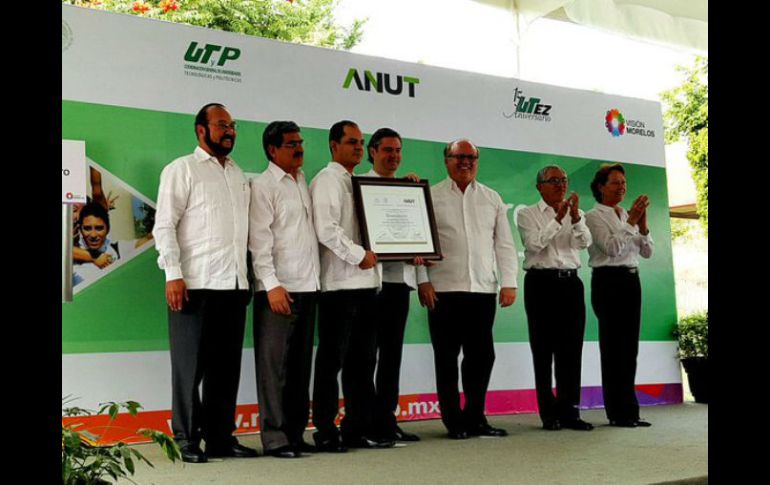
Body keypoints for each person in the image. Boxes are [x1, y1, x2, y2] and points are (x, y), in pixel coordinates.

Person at [153, 103, 257, 463]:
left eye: (232, 125)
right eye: (221, 125)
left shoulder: (239, 175)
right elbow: (163, 225)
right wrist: (173, 274)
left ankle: (220, 439)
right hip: (193, 285)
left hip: (234, 285)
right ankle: (184, 439)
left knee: (225, 370)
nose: (229, 131)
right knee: (189, 368)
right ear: (201, 130)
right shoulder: (182, 169)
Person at [417, 139, 518, 440]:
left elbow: (504, 244)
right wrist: (423, 279)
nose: (465, 162)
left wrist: (509, 282)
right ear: (446, 160)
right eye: (458, 156)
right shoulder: (430, 196)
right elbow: (420, 243)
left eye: (471, 157)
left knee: (482, 357)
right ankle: (453, 421)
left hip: (482, 290)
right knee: (446, 359)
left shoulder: (492, 198)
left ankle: (476, 417)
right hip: (443, 290)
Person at [309, 120, 394, 452]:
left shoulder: (361, 182)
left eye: (361, 143)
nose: (359, 148)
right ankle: (325, 430)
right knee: (332, 363)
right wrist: (358, 255)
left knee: (363, 362)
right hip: (339, 286)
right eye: (351, 142)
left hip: (368, 284)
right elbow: (326, 229)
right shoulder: (327, 181)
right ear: (334, 145)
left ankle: (357, 428)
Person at [248, 121, 321, 458]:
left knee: (298, 367)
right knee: (273, 367)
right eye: (292, 144)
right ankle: (275, 437)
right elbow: (259, 243)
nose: (299, 148)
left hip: (308, 286)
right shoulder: (263, 186)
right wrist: (271, 285)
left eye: (300, 142)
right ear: (272, 149)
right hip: (277, 290)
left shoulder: (302, 180)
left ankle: (294, 432)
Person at [516, 165, 594, 431]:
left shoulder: (577, 213)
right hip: (541, 284)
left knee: (571, 351)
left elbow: (584, 243)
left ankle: (570, 412)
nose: (560, 185)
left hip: (571, 284)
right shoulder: (527, 213)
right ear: (540, 186)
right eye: (553, 181)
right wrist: (557, 219)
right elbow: (534, 244)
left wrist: (573, 218)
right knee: (543, 350)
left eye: (563, 180)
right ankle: (549, 414)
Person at [584, 163, 654, 428]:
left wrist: (643, 227)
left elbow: (647, 253)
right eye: (615, 183)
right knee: (613, 348)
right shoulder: (593, 216)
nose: (621, 187)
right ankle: (617, 412)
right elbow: (611, 248)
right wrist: (632, 222)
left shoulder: (626, 213)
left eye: (623, 183)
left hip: (631, 281)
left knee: (629, 348)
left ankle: (631, 410)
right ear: (601, 187)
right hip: (608, 282)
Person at [364, 128, 421, 443]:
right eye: (387, 150)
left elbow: (420, 240)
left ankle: (387, 419)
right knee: (366, 357)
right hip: (370, 286)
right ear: (373, 152)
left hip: (399, 285)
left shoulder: (409, 189)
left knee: (391, 357)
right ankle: (366, 420)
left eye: (398, 150)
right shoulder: (359, 186)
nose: (394, 156)